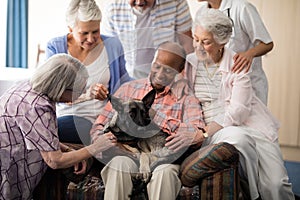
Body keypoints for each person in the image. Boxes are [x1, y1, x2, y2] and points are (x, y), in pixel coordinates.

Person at [183, 8, 294, 200]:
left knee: (277, 184)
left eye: (206, 41)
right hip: (219, 129)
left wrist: (206, 133)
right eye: (196, 39)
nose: (198, 46)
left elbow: (238, 111)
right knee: (238, 138)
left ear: (221, 42)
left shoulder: (237, 62)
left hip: (251, 125)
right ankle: (254, 194)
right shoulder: (191, 62)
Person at [90, 42, 205, 200]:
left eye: (168, 70)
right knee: (119, 165)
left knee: (165, 173)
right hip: (126, 154)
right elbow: (99, 126)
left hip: (162, 158)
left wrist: (155, 115)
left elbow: (196, 133)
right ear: (152, 61)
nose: (159, 73)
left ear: (180, 71)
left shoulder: (186, 98)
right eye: (156, 66)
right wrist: (107, 144)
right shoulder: (128, 89)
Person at [0, 54, 117, 200]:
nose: (81, 93)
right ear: (60, 88)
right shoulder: (38, 108)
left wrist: (68, 150)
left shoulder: (26, 86)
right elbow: (55, 161)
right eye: (78, 90)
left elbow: (38, 134)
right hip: (8, 167)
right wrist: (96, 147)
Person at [45, 0, 131, 145]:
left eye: (95, 31)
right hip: (72, 116)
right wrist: (87, 95)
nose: (91, 39)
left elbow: (125, 82)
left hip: (108, 117)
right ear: (70, 28)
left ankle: (103, 138)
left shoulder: (113, 45)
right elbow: (51, 93)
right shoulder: (56, 47)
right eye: (84, 33)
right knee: (74, 128)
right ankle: (101, 140)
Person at [196, 0, 274, 105]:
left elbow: (267, 43)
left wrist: (249, 54)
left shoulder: (242, 8)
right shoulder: (201, 13)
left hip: (248, 84)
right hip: (219, 88)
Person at [101, 0, 194, 79]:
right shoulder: (112, 7)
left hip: (168, 74)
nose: (139, 2)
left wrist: (185, 77)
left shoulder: (176, 2)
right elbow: (110, 52)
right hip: (130, 75)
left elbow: (187, 44)